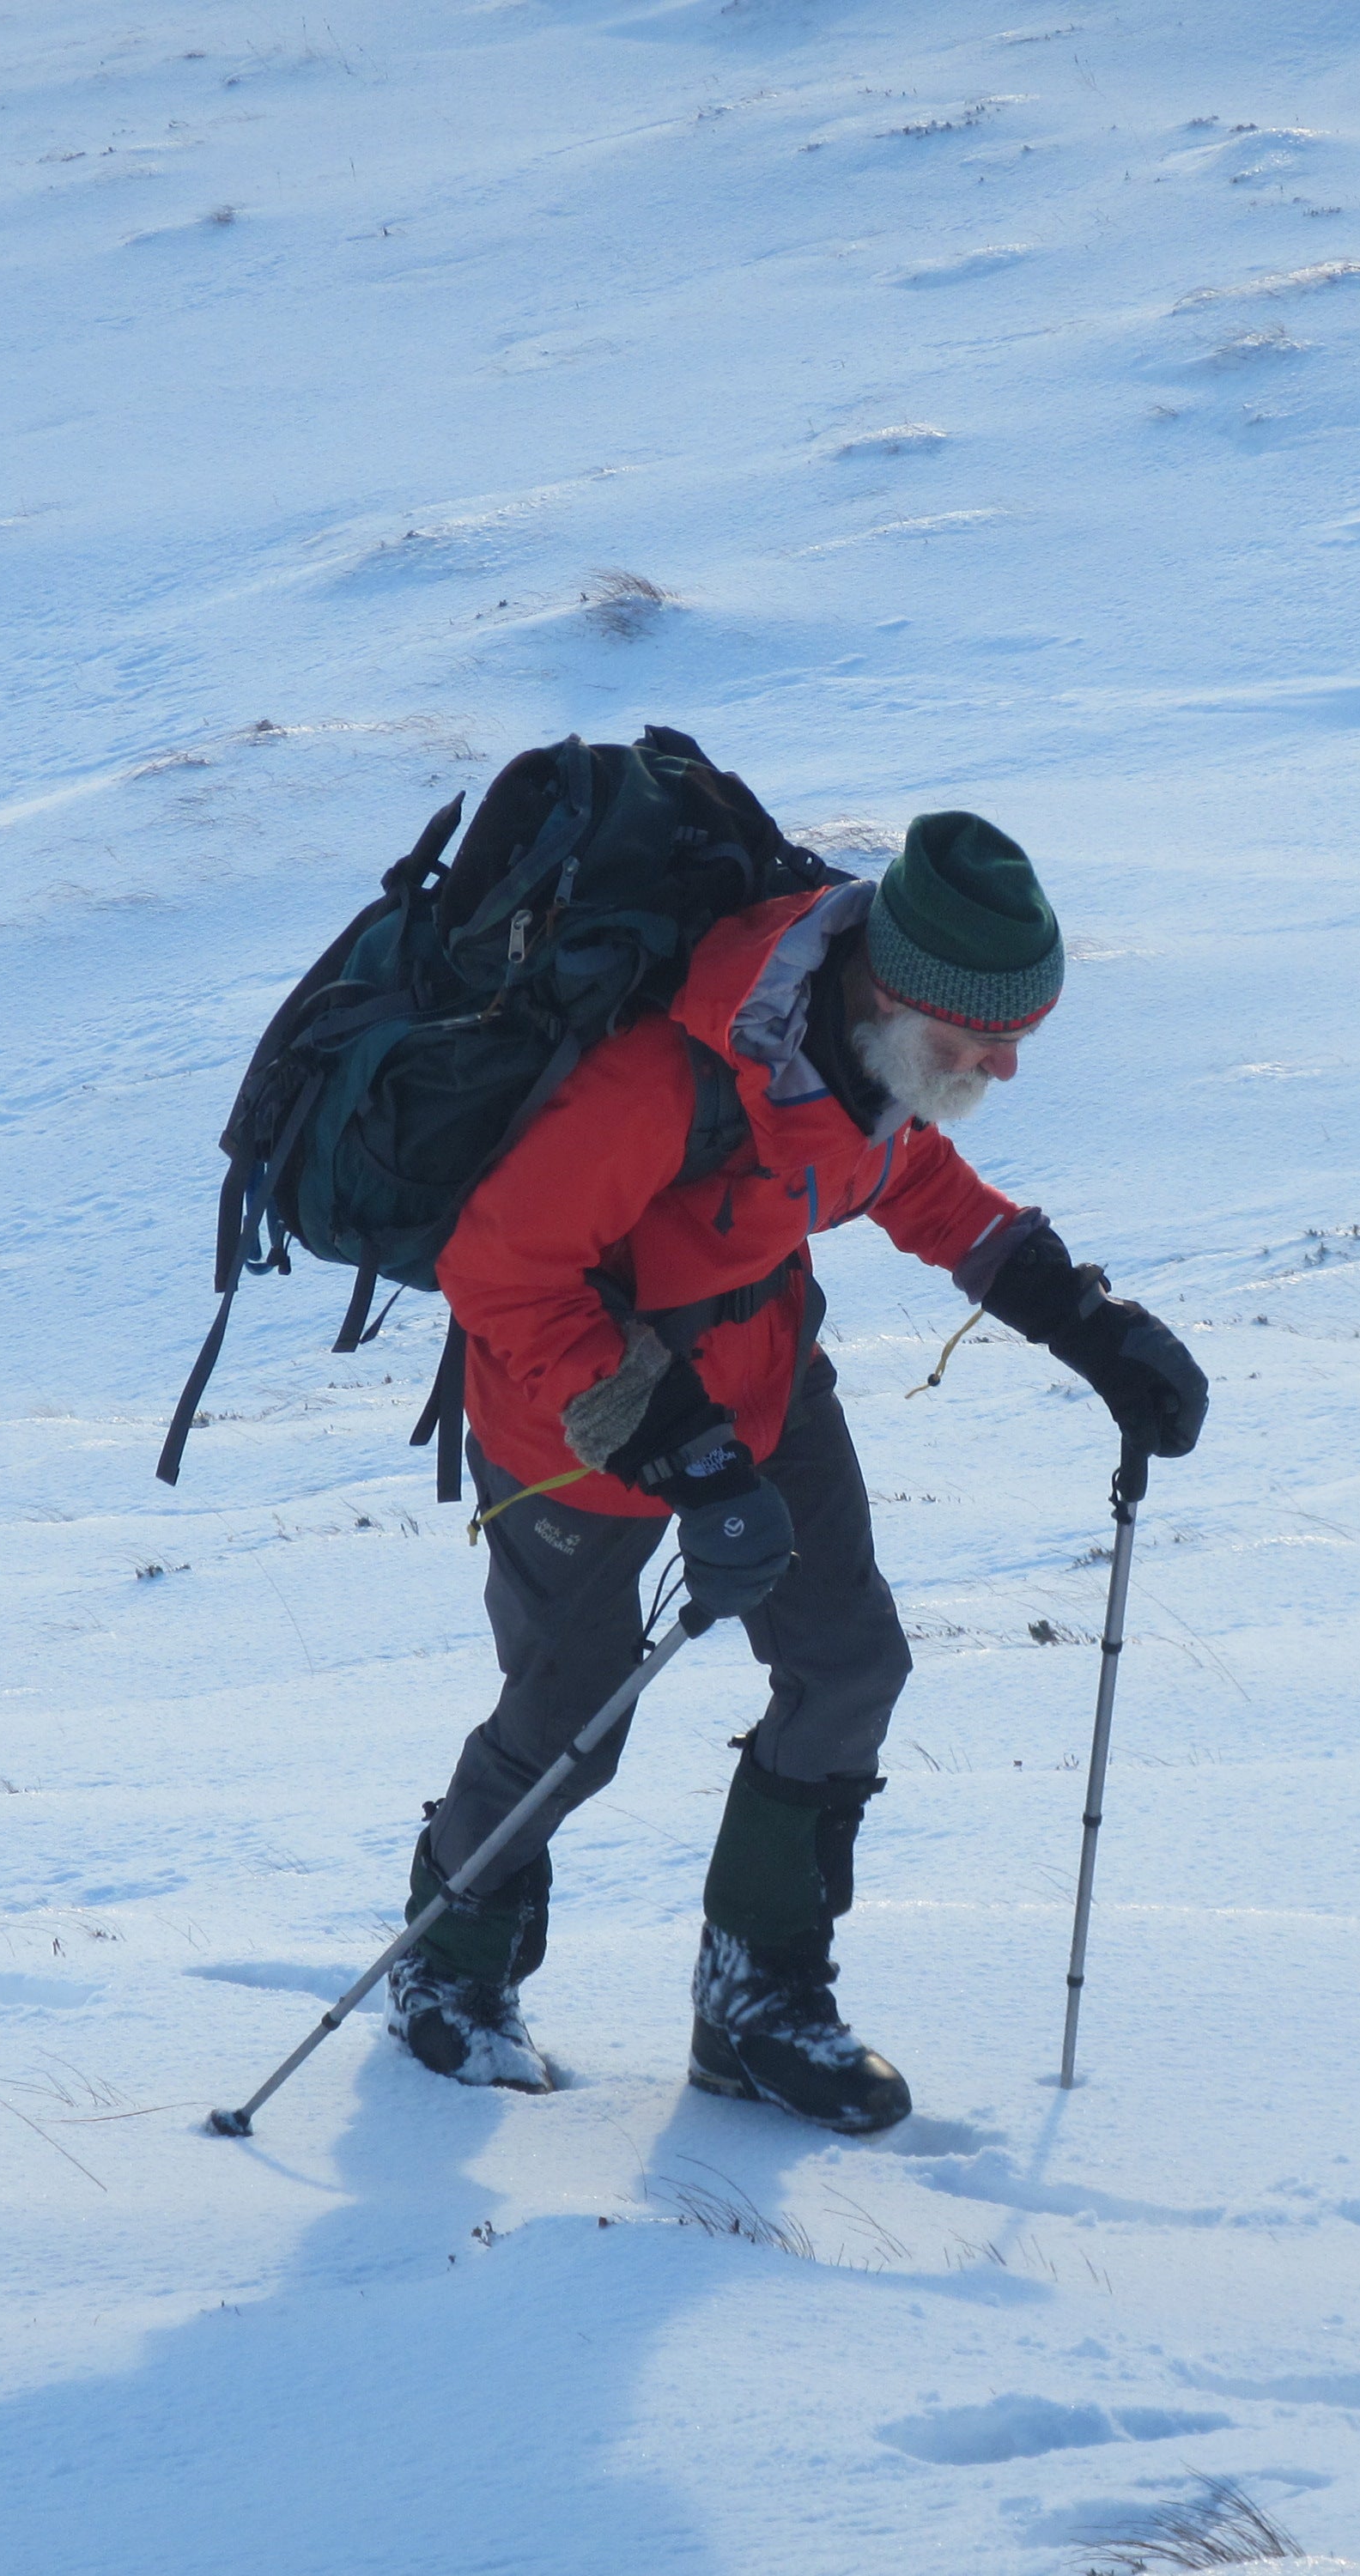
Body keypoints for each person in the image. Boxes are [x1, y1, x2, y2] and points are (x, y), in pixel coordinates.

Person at [392, 811, 1208, 2131]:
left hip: (765, 1380)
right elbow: (502, 1274)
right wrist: (674, 1451)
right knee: (571, 1720)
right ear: (892, 989)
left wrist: (1082, 1319)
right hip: (573, 1426)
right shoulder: (671, 1077)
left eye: (1016, 1041)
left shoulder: (867, 1046)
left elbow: (903, 1174)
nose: (999, 1068)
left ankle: (757, 1998)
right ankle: (451, 1960)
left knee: (848, 1666)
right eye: (977, 1041)